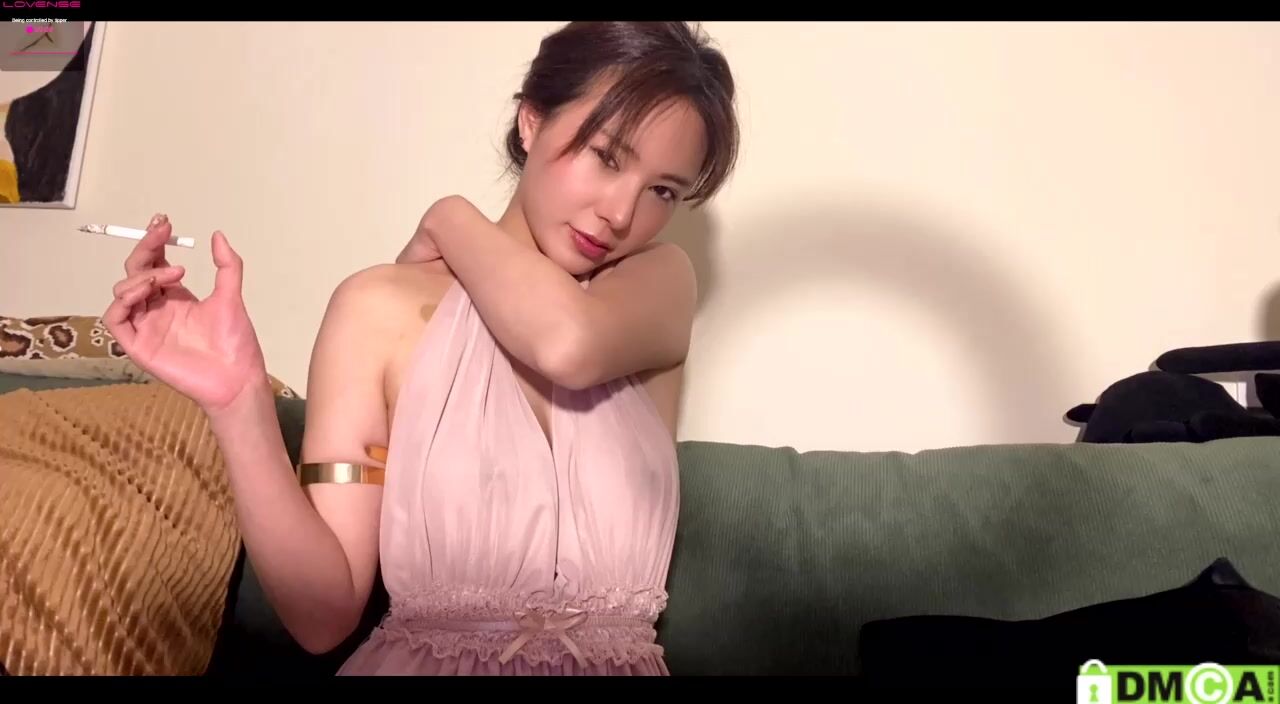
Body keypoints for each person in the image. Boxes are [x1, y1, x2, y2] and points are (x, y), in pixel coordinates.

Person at [103, 21, 739, 676]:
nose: (622, 213)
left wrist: (448, 218)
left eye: (663, 190)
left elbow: (567, 343)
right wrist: (239, 403)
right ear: (531, 122)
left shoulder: (654, 290)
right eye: (607, 156)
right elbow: (323, 619)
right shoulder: (379, 308)